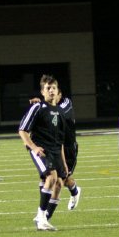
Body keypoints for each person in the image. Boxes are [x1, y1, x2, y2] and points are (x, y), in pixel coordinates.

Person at [18, 75, 67, 231]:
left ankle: (45, 218)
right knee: (51, 178)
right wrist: (34, 148)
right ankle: (40, 218)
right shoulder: (38, 107)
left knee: (59, 183)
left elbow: (60, 141)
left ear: (58, 91)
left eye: (54, 88)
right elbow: (22, 130)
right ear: (42, 92)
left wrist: (64, 163)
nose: (51, 91)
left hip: (54, 151)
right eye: (48, 88)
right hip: (41, 149)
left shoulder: (60, 112)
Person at [29, 85, 81, 213]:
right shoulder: (49, 108)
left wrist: (42, 104)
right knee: (49, 176)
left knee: (64, 179)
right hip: (54, 146)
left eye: (54, 91)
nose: (52, 94)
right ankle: (44, 213)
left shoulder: (66, 104)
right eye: (49, 90)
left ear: (60, 94)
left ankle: (75, 191)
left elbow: (57, 110)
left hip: (68, 147)